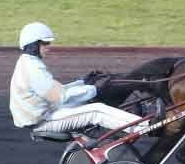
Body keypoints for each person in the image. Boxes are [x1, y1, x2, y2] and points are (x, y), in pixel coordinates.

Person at [9, 22, 146, 137]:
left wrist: (82, 82)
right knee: (97, 110)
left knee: (86, 101)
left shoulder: (27, 62)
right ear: (33, 44)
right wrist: (95, 90)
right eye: (45, 43)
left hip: (45, 112)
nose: (49, 47)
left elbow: (56, 92)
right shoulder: (33, 69)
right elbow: (62, 97)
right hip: (43, 121)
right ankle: (144, 127)